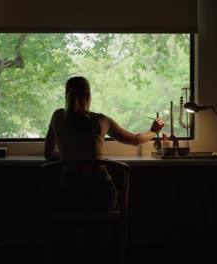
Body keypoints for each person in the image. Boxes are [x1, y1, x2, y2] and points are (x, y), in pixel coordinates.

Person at [44, 76, 165, 211]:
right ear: (89, 96)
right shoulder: (101, 120)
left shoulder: (57, 117)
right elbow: (135, 140)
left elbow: (48, 154)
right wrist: (153, 131)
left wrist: (72, 157)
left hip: (69, 197)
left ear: (66, 95)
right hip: (101, 196)